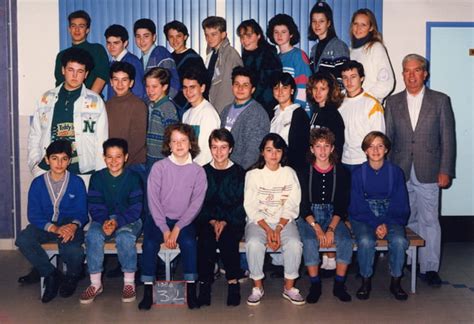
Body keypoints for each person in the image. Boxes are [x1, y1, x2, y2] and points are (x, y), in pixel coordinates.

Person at [385, 54, 456, 286]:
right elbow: (388, 139)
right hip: (401, 170)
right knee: (407, 217)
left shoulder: (440, 101)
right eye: (407, 70)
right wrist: (388, 173)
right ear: (403, 73)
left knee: (429, 220)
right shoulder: (393, 102)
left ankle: (430, 268)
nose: (412, 75)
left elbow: (448, 139)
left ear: (425, 73)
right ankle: (409, 261)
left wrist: (445, 170)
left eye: (417, 70)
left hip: (430, 171)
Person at [138, 123, 207, 310]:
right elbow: (153, 201)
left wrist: (177, 228)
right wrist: (164, 228)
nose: (179, 145)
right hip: (159, 219)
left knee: (189, 243)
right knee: (150, 244)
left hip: (184, 221)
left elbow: (196, 204)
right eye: (174, 141)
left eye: (183, 140)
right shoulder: (159, 168)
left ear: (191, 143)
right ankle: (147, 291)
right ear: (168, 145)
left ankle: (191, 291)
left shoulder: (198, 171)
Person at [16, 140, 88, 303]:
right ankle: (51, 274)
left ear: (69, 161)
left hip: (69, 225)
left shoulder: (76, 182)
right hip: (46, 225)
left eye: (64, 159)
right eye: (54, 158)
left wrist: (72, 226)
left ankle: (71, 277)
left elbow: (82, 213)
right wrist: (54, 228)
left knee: (74, 252)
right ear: (47, 160)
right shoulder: (37, 183)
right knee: (23, 239)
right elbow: (33, 215)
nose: (59, 163)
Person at [80, 138, 144, 304]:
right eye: (109, 157)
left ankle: (129, 282)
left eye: (118, 157)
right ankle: (95, 284)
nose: (114, 161)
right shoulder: (97, 178)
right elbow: (94, 205)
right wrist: (104, 221)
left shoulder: (134, 178)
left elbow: (135, 209)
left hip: (130, 219)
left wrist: (117, 222)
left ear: (126, 157)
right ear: (104, 157)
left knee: (125, 237)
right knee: (93, 236)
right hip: (103, 219)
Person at [28, 47, 108, 178]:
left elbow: (102, 141)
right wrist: (35, 165)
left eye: (80, 71)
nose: (75, 75)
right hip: (48, 171)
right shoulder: (45, 99)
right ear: (63, 70)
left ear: (86, 74)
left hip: (84, 172)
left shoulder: (96, 101)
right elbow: (35, 135)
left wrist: (99, 175)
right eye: (71, 70)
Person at [244, 133, 304, 306]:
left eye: (278, 150)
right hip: (259, 222)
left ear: (282, 153)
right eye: (269, 150)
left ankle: (289, 287)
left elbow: (292, 204)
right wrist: (268, 229)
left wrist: (277, 229)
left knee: (294, 244)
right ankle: (257, 287)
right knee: (254, 243)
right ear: (262, 152)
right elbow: (251, 206)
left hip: (284, 221)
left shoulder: (289, 173)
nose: (273, 154)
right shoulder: (253, 174)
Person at [349, 131, 410, 301]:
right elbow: (357, 205)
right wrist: (376, 223)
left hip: (391, 216)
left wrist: (386, 223)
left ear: (386, 150)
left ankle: (396, 281)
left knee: (399, 241)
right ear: (365, 150)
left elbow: (401, 203)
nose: (375, 150)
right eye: (371, 146)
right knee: (366, 241)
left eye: (380, 146)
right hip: (364, 217)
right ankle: (365, 280)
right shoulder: (357, 173)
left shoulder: (396, 172)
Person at [297, 128, 352, 303]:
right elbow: (303, 206)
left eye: (326, 146)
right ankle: (315, 284)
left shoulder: (341, 172)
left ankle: (339, 284)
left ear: (332, 148)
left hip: (333, 216)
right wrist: (317, 229)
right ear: (312, 149)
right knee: (310, 241)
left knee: (345, 240)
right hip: (309, 217)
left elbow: (341, 206)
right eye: (318, 146)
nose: (322, 151)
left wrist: (330, 229)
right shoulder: (304, 171)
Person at [195, 128, 246, 307]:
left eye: (223, 147)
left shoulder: (239, 172)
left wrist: (224, 221)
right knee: (206, 240)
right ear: (209, 148)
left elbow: (241, 203)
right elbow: (198, 202)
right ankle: (205, 285)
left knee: (228, 239)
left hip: (232, 220)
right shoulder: (202, 172)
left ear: (230, 149)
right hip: (207, 220)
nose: (219, 152)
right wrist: (211, 220)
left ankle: (233, 284)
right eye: (214, 147)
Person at [220, 66, 270, 170]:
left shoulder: (257, 113)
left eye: (245, 85)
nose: (240, 88)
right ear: (232, 86)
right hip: (224, 168)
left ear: (253, 89)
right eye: (237, 84)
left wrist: (240, 173)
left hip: (243, 172)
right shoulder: (225, 110)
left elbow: (253, 152)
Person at [339, 60, 385, 172]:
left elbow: (378, 139)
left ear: (362, 78)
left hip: (364, 162)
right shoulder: (338, 103)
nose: (349, 81)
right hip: (343, 161)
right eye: (345, 77)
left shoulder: (372, 104)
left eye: (353, 77)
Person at [106, 62, 147, 175]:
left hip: (133, 164)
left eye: (124, 80)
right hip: (113, 163)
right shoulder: (106, 105)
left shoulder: (138, 105)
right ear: (111, 82)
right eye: (116, 79)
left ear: (131, 83)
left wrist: (121, 161)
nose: (119, 84)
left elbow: (138, 140)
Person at [267, 14, 312, 116]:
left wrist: (296, 112)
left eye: (283, 32)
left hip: (300, 111)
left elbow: (303, 87)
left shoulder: (298, 56)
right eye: (276, 32)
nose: (279, 35)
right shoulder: (276, 58)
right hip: (284, 111)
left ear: (291, 34)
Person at [54, 10, 109, 94]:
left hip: (91, 102)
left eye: (81, 26)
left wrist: (87, 101)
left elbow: (101, 77)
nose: (77, 30)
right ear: (69, 29)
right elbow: (60, 83)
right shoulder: (61, 55)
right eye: (73, 26)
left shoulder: (97, 50)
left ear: (87, 30)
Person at [237, 19, 282, 119]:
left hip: (265, 107)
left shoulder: (268, 55)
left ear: (258, 36)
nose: (244, 40)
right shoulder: (246, 55)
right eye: (242, 36)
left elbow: (265, 85)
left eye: (248, 36)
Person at [350, 8, 395, 103]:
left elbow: (387, 83)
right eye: (355, 24)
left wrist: (364, 99)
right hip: (353, 107)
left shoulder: (376, 48)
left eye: (363, 25)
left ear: (371, 28)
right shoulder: (350, 51)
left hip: (369, 108)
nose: (358, 28)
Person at [163, 20, 206, 118]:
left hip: (189, 107)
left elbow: (200, 86)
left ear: (185, 37)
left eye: (178, 36)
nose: (175, 41)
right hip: (172, 107)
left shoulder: (193, 58)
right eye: (171, 37)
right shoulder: (169, 58)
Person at [270, 72, 310, 173]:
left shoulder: (299, 114)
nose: (280, 92)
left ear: (292, 91)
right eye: (276, 88)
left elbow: (301, 150)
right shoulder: (272, 113)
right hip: (272, 165)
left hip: (291, 168)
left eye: (284, 88)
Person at [202, 16, 243, 114]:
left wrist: (219, 113)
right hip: (210, 108)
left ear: (223, 34)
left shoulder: (230, 55)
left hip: (222, 111)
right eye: (206, 35)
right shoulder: (212, 53)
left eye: (213, 34)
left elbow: (228, 90)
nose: (209, 38)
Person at [182, 67, 221, 166]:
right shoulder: (186, 114)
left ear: (202, 88)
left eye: (192, 87)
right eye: (185, 87)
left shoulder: (208, 114)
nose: (188, 92)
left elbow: (207, 152)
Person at [133, 18, 180, 98]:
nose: (142, 41)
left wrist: (164, 105)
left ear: (154, 37)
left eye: (146, 36)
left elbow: (173, 85)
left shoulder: (161, 53)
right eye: (138, 37)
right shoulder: (141, 60)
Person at [144, 67, 179, 171]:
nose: (150, 90)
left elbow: (172, 137)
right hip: (150, 156)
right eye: (147, 86)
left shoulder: (167, 107)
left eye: (154, 87)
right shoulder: (151, 105)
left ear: (164, 87)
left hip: (162, 159)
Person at [308, 1, 349, 88]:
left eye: (321, 21)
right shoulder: (314, 49)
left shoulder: (338, 46)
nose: (317, 25)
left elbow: (343, 79)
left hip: (334, 100)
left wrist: (334, 100)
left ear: (328, 23)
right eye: (314, 21)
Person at [307, 72, 345, 159]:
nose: (318, 92)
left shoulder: (333, 115)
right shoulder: (315, 111)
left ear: (330, 91)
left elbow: (337, 147)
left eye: (323, 89)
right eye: (315, 88)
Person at [104, 24, 145, 100]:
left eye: (116, 43)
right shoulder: (111, 63)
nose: (111, 47)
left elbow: (138, 93)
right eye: (109, 43)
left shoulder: (133, 62)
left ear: (125, 43)